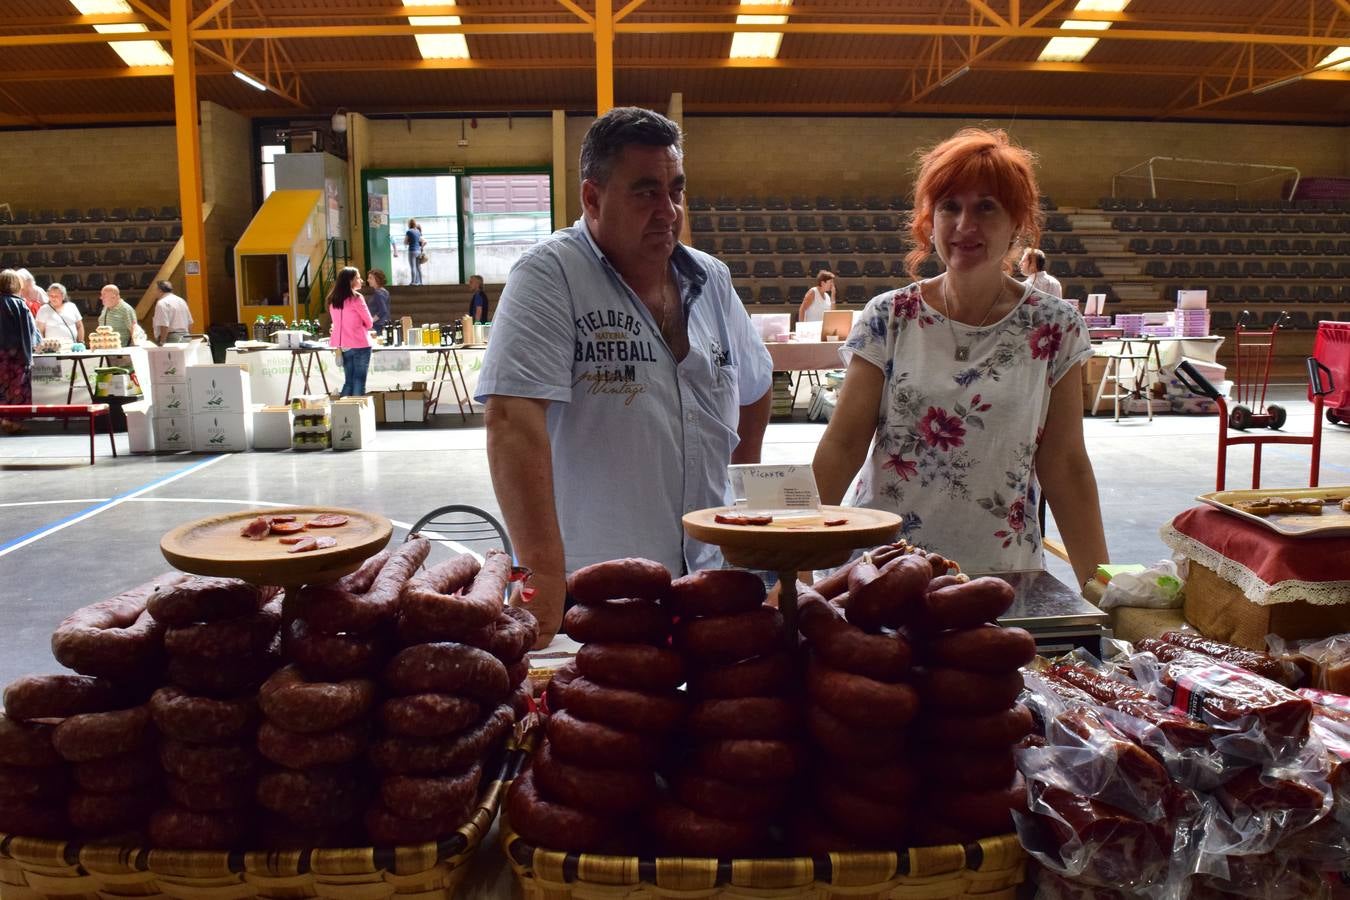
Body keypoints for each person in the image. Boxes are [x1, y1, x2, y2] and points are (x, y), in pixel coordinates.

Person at [477, 106, 773, 645]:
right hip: (592, 587)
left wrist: (739, 497)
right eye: (645, 192)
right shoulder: (550, 275)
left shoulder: (711, 277)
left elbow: (754, 386)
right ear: (593, 198)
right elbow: (511, 419)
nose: (669, 211)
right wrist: (541, 573)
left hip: (710, 573)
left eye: (675, 189)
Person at [812, 128, 1107, 588]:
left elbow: (1065, 465)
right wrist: (795, 562)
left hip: (998, 573)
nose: (964, 225)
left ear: (1017, 223)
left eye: (986, 207)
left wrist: (1103, 591)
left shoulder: (1057, 326)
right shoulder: (889, 316)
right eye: (950, 206)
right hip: (882, 570)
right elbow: (844, 444)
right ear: (930, 220)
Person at [0, 269, 42, 435]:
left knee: (2, 388)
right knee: (17, 389)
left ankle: (3, 419)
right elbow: (30, 331)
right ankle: (13, 422)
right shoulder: (19, 303)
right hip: (17, 355)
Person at [328, 266, 373, 397]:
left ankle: (342, 412)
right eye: (358, 277)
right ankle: (355, 414)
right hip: (360, 344)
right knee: (359, 381)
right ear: (351, 281)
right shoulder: (357, 298)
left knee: (349, 382)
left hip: (344, 346)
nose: (362, 280)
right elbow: (369, 322)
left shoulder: (333, 300)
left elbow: (336, 323)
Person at [151, 280, 193, 344]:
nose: (154, 292)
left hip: (172, 339)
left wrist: (162, 342)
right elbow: (190, 322)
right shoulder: (181, 300)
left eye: (155, 289)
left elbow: (164, 325)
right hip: (186, 337)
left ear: (160, 290)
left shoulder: (162, 303)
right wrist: (188, 336)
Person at [97, 284, 137, 348]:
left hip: (121, 352)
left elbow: (134, 331)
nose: (101, 297)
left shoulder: (126, 309)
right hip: (105, 350)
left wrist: (132, 350)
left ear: (114, 296)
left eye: (103, 295)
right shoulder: (106, 306)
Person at [365, 269, 392, 333]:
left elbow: (383, 310)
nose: (368, 280)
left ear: (377, 279)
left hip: (378, 325)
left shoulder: (378, 293)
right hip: (383, 324)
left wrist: (371, 321)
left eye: (370, 278)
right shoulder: (384, 291)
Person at [404, 219, 425, 286]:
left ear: (409, 224)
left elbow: (405, 242)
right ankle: (421, 282)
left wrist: (410, 242)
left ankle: (413, 282)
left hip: (412, 251)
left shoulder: (409, 231)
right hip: (418, 251)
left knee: (413, 267)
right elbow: (420, 241)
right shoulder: (418, 231)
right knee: (418, 267)